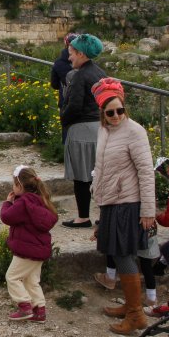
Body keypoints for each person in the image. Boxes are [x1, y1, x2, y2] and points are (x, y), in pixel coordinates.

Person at [90, 77, 156, 335]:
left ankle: (136, 315)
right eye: (110, 112)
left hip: (128, 203)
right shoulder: (104, 130)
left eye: (120, 110)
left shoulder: (135, 131)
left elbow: (145, 172)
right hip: (111, 202)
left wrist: (148, 210)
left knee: (124, 256)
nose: (116, 115)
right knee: (118, 254)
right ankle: (131, 306)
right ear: (102, 113)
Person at [0, 165, 58, 322]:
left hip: (26, 250)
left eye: (14, 184)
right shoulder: (40, 200)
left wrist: (7, 203)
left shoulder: (23, 203)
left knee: (12, 277)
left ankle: (24, 306)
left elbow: (6, 217)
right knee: (32, 280)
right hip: (39, 249)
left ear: (19, 185)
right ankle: (39, 310)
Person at [60, 33, 106, 228]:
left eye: (71, 53)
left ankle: (83, 217)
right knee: (101, 175)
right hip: (101, 129)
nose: (69, 57)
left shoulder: (80, 76)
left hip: (82, 130)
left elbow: (75, 106)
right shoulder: (100, 72)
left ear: (80, 53)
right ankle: (104, 216)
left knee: (82, 176)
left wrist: (63, 119)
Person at [50, 33, 78, 113]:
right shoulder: (84, 61)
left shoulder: (58, 63)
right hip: (84, 104)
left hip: (65, 101)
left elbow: (54, 85)